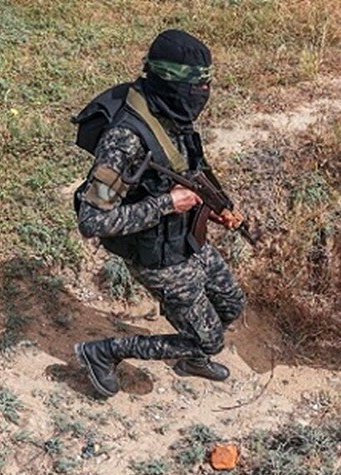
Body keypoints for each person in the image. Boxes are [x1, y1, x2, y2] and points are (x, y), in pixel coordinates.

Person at [72, 29, 245, 398]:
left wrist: (216, 206)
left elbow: (189, 166)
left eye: (206, 85)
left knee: (231, 304)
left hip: (188, 240)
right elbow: (91, 220)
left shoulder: (170, 111)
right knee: (209, 340)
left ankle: (192, 350)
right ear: (169, 82)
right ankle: (104, 353)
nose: (202, 94)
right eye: (194, 87)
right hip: (159, 258)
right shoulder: (124, 140)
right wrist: (167, 203)